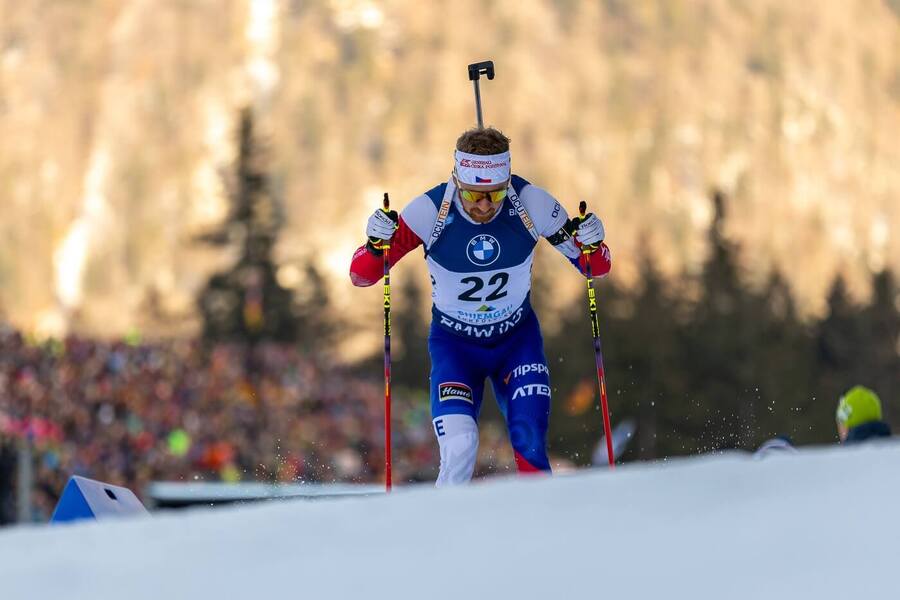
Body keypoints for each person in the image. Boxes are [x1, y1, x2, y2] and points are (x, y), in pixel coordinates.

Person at [349, 127, 611, 486]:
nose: (485, 205)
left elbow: (594, 267)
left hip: (517, 344)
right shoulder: (429, 211)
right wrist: (374, 243)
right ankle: (438, 534)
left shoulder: (531, 203)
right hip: (456, 348)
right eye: (474, 193)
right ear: (457, 180)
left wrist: (593, 243)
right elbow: (362, 275)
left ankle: (543, 537)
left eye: (496, 193)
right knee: (461, 449)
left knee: (529, 445)